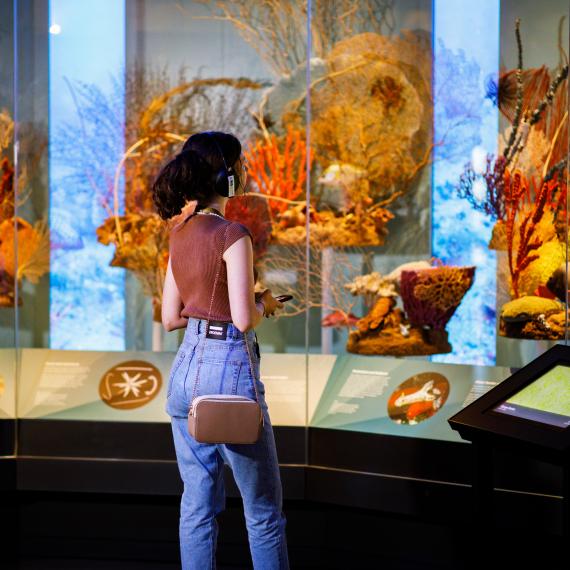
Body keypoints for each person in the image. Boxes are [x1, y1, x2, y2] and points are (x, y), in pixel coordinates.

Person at [152, 130, 290, 569]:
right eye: (242, 163)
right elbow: (243, 318)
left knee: (197, 505)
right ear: (228, 178)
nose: (247, 170)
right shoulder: (234, 234)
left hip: (186, 371)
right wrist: (264, 302)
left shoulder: (179, 234)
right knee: (263, 511)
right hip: (228, 370)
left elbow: (171, 317)